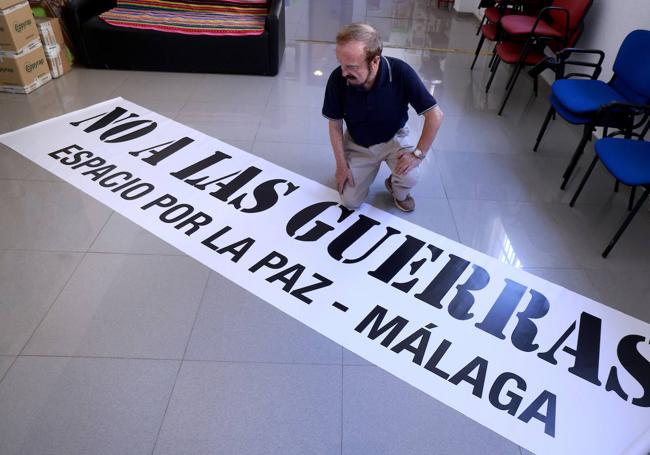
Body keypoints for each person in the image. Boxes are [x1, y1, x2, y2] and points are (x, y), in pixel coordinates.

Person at [322, 23, 444, 212]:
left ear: (375, 61)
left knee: (410, 176)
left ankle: (396, 188)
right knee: (350, 201)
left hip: (394, 138)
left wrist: (418, 154)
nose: (344, 72)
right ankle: (361, 170)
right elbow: (335, 124)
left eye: (352, 67)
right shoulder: (338, 79)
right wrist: (341, 166)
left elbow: (435, 115)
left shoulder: (400, 72)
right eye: (341, 64)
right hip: (358, 142)